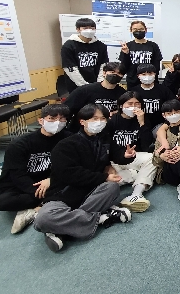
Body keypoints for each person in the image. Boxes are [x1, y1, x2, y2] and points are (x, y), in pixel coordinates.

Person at [33, 104, 134, 252]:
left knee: (113, 187)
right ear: (82, 121)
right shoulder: (66, 145)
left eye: (103, 119)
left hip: (91, 193)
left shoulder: (104, 139)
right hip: (64, 195)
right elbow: (71, 174)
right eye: (94, 119)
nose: (99, 122)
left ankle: (61, 230)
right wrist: (104, 177)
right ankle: (101, 218)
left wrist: (126, 156)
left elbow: (116, 154)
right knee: (43, 219)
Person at [0, 104, 72, 234]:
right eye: (52, 118)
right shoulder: (19, 145)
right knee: (1, 202)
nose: (57, 122)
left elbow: (71, 165)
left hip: (49, 180)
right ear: (41, 121)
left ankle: (33, 210)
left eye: (62, 119)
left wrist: (51, 180)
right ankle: (43, 204)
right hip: (21, 184)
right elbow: (18, 176)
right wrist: (38, 193)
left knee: (77, 182)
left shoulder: (68, 138)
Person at [106, 92, 156, 212]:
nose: (133, 107)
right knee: (114, 178)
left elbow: (146, 145)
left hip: (133, 157)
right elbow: (104, 145)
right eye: (129, 103)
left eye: (137, 104)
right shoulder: (111, 121)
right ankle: (133, 176)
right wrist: (107, 165)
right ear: (121, 105)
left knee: (152, 158)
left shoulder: (142, 119)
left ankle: (136, 194)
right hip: (114, 160)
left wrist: (142, 123)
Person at [63, 62, 126, 128]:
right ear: (104, 73)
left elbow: (124, 111)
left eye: (119, 73)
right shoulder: (85, 90)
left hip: (107, 128)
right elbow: (67, 109)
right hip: (83, 128)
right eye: (112, 72)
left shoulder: (122, 93)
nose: (115, 75)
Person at [61, 17, 109, 93]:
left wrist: (99, 84)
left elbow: (103, 66)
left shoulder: (101, 45)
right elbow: (70, 68)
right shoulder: (69, 46)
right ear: (78, 29)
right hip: (76, 87)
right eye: (85, 28)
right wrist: (84, 86)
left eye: (92, 28)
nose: (89, 30)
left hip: (96, 85)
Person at [119, 20, 162, 89]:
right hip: (133, 81)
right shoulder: (127, 46)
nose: (138, 31)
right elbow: (124, 67)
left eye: (141, 29)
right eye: (135, 29)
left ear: (146, 30)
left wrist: (152, 77)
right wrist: (126, 53)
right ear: (131, 30)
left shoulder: (153, 46)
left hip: (150, 81)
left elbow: (156, 65)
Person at [132, 63, 176, 133]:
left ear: (155, 74)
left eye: (150, 74)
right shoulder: (133, 91)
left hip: (160, 125)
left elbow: (173, 105)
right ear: (138, 76)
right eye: (144, 74)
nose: (147, 76)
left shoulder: (164, 90)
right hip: (138, 125)